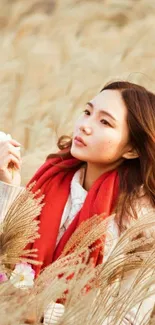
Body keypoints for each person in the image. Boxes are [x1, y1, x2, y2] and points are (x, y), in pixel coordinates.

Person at [0, 80, 155, 324]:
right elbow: (6, 257)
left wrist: (44, 313)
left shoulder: (140, 222)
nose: (84, 126)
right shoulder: (49, 180)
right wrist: (7, 186)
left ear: (133, 149)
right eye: (87, 112)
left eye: (104, 122)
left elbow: (131, 316)